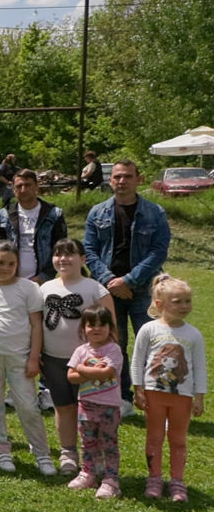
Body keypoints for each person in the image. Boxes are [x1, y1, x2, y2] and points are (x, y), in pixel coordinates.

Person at [84, 159, 171, 416]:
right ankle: (123, 399)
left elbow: (158, 251)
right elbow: (89, 251)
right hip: (108, 291)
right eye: (117, 177)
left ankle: (156, 399)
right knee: (114, 345)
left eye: (127, 176)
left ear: (138, 179)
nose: (122, 181)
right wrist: (111, 280)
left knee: (153, 346)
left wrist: (129, 281)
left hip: (144, 291)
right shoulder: (97, 213)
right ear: (110, 180)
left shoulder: (155, 213)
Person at [0, 241, 55, 476]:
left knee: (28, 406)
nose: (5, 268)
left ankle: (41, 453)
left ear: (18, 265)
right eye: (0, 263)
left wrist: (34, 357)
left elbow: (36, 325)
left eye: (11, 264)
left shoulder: (29, 288)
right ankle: (0, 450)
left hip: (20, 356)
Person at [39, 238, 115, 475]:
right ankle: (68, 453)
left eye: (69, 254)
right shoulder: (44, 289)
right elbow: (36, 324)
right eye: (58, 254)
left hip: (89, 364)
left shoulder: (95, 289)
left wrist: (105, 358)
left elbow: (111, 327)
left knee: (92, 409)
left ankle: (94, 455)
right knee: (63, 407)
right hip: (53, 359)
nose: (63, 259)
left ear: (83, 259)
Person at [131, 275, 206, 503]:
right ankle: (154, 479)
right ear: (160, 303)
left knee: (178, 440)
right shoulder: (148, 329)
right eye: (178, 301)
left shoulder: (194, 335)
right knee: (154, 437)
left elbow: (200, 367)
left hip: (182, 397)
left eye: (187, 301)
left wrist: (199, 397)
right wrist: (138, 389)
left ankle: (177, 482)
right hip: (153, 394)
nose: (184, 306)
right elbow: (137, 361)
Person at [66, 305, 124, 498]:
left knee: (109, 443)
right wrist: (88, 371)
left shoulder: (113, 349)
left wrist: (82, 369)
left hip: (109, 406)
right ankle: (88, 473)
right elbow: (71, 376)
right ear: (83, 328)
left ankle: (111, 480)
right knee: (87, 441)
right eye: (91, 325)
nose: (97, 329)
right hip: (86, 405)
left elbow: (106, 372)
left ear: (110, 327)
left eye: (102, 325)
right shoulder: (81, 350)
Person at [0, 169, 68, 284]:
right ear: (13, 189)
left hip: (43, 281)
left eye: (28, 185)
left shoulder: (53, 214)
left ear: (37, 186)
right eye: (19, 186)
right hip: (10, 279)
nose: (23, 190)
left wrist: (44, 276)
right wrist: (5, 275)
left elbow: (60, 248)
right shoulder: (3, 215)